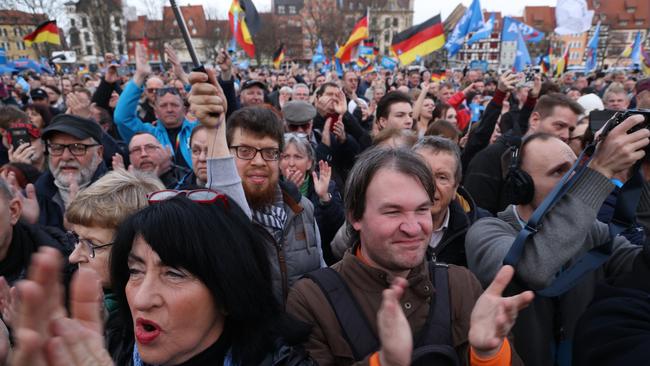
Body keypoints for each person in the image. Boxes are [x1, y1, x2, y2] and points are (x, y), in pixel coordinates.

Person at [286, 147, 532, 365]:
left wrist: (489, 356)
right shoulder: (312, 299)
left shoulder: (461, 285)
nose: (413, 228)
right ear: (355, 217)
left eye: (422, 209)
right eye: (393, 212)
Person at [465, 118, 650, 366]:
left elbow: (640, 265)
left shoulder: (591, 231)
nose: (573, 181)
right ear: (522, 186)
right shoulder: (487, 231)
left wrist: (644, 176)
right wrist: (600, 172)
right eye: (559, 172)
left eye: (576, 170)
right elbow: (534, 268)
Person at [188, 71, 326, 303]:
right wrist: (215, 128)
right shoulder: (208, 216)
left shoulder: (303, 209)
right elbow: (229, 205)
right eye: (245, 151)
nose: (259, 161)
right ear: (227, 154)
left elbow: (321, 272)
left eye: (270, 152)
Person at [65, 168, 164, 364]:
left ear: (134, 249)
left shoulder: (153, 326)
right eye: (76, 239)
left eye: (91, 244)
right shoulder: (76, 293)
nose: (73, 257)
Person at [464, 90, 580, 215]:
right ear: (535, 120)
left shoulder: (567, 162)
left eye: (571, 129)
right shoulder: (491, 158)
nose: (566, 135)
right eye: (559, 126)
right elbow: (476, 217)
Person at [113, 43, 197, 169]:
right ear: (156, 112)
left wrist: (183, 76)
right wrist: (140, 75)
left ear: (185, 109)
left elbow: (213, 107)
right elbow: (122, 118)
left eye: (174, 105)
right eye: (163, 106)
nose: (169, 109)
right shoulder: (148, 134)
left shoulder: (197, 129)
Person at [280, 132, 344, 265]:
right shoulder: (271, 189)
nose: (291, 163)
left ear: (309, 163)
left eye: (298, 157)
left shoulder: (325, 184)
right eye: (285, 157)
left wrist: (325, 198)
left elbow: (339, 228)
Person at [120, 132, 190, 188]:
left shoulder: (186, 178)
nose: (143, 154)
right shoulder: (124, 185)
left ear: (162, 150)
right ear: (130, 158)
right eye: (136, 150)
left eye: (150, 147)